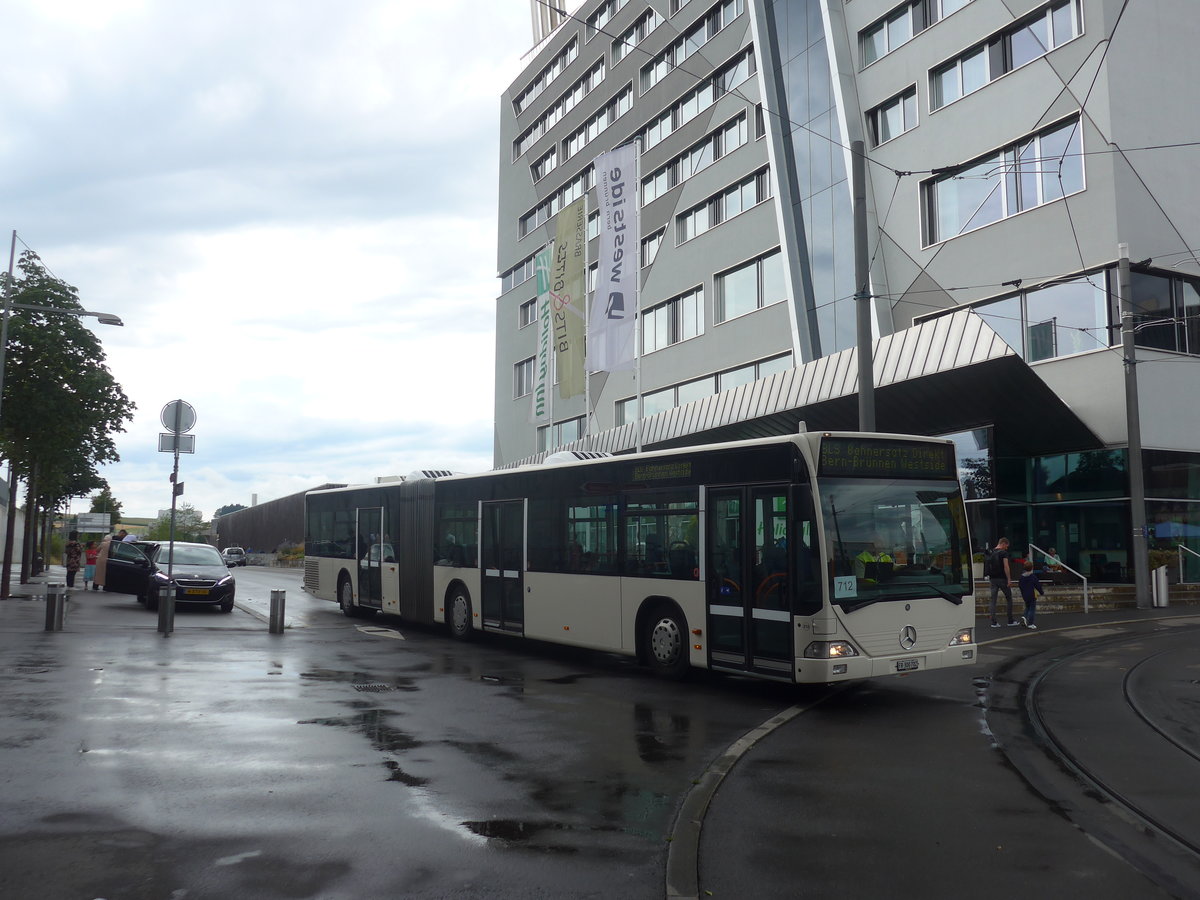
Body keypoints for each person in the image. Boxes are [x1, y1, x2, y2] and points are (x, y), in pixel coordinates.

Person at [987, 537, 1017, 627]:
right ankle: (1010, 620)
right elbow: (1006, 566)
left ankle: (994, 621)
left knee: (993, 600)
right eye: (1006, 546)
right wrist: (1009, 579)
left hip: (992, 578)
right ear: (1003, 543)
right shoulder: (1003, 553)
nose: (1006, 548)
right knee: (1009, 598)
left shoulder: (991, 552)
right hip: (1002, 578)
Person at [1018, 560, 1044, 629]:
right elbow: (1038, 586)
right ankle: (1030, 623)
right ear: (1032, 568)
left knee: (1027, 607)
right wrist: (1041, 592)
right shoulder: (1033, 577)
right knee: (1032, 609)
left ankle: (1024, 617)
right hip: (1032, 595)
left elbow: (1020, 586)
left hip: (1025, 595)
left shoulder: (1021, 577)